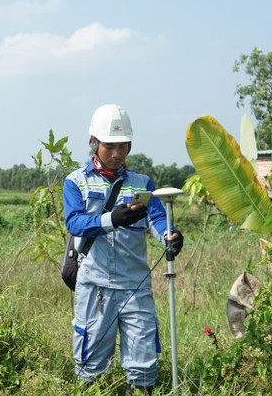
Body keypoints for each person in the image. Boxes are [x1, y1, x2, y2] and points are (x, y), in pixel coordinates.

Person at [63, 104, 183, 395]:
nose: (116, 154)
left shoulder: (142, 183)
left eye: (123, 146)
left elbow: (156, 218)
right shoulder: (76, 182)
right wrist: (111, 220)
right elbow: (74, 222)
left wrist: (169, 235)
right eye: (109, 146)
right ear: (94, 142)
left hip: (135, 285)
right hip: (95, 286)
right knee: (90, 363)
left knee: (143, 363)